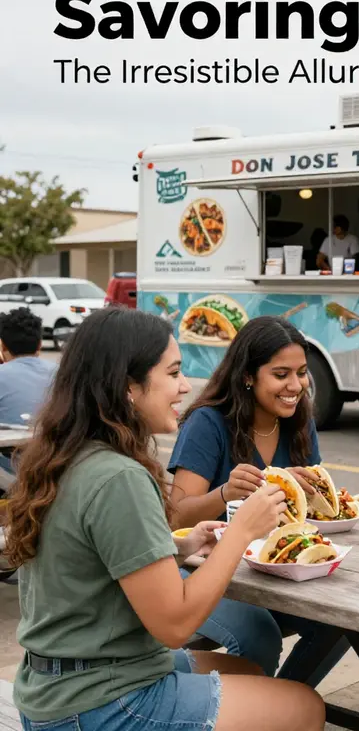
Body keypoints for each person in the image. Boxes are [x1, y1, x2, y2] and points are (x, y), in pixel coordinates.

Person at [4, 307, 325, 731]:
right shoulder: (119, 476)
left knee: (248, 670)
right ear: (128, 387)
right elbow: (175, 624)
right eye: (173, 373)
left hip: (60, 684)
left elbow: (91, 550)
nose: (186, 386)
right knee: (303, 707)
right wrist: (242, 531)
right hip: (97, 701)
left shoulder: (67, 455)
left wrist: (179, 545)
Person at [168, 315, 350, 685]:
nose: (295, 386)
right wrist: (226, 492)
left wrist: (310, 492)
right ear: (248, 376)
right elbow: (175, 517)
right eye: (281, 374)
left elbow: (308, 517)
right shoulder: (209, 422)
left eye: (301, 373)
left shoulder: (299, 419)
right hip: (204, 571)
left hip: (275, 567)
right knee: (260, 637)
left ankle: (285, 705)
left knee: (345, 620)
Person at [0, 307, 58, 479]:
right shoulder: (63, 374)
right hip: (55, 471)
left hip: (12, 478)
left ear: (2, 345)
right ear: (40, 344)